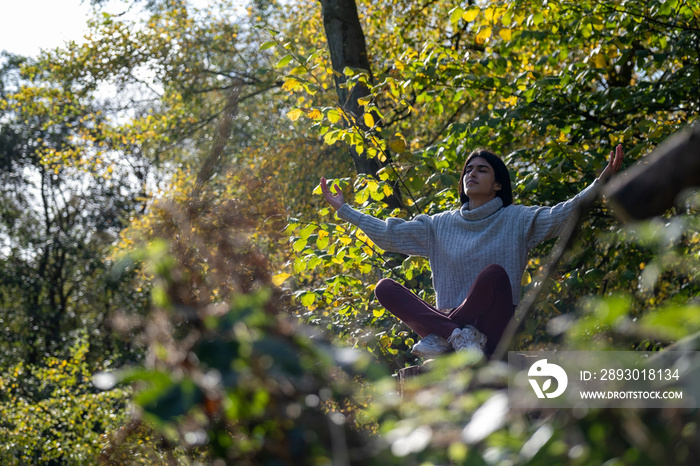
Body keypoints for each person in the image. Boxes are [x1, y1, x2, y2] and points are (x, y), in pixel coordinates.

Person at [320, 145, 624, 359]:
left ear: (497, 185)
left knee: (494, 274)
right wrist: (345, 210)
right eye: (468, 170)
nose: (471, 174)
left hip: (495, 326)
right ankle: (455, 335)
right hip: (451, 325)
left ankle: (446, 334)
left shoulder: (517, 219)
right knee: (384, 287)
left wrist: (601, 182)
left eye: (482, 170)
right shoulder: (439, 225)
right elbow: (389, 235)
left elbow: (566, 213)